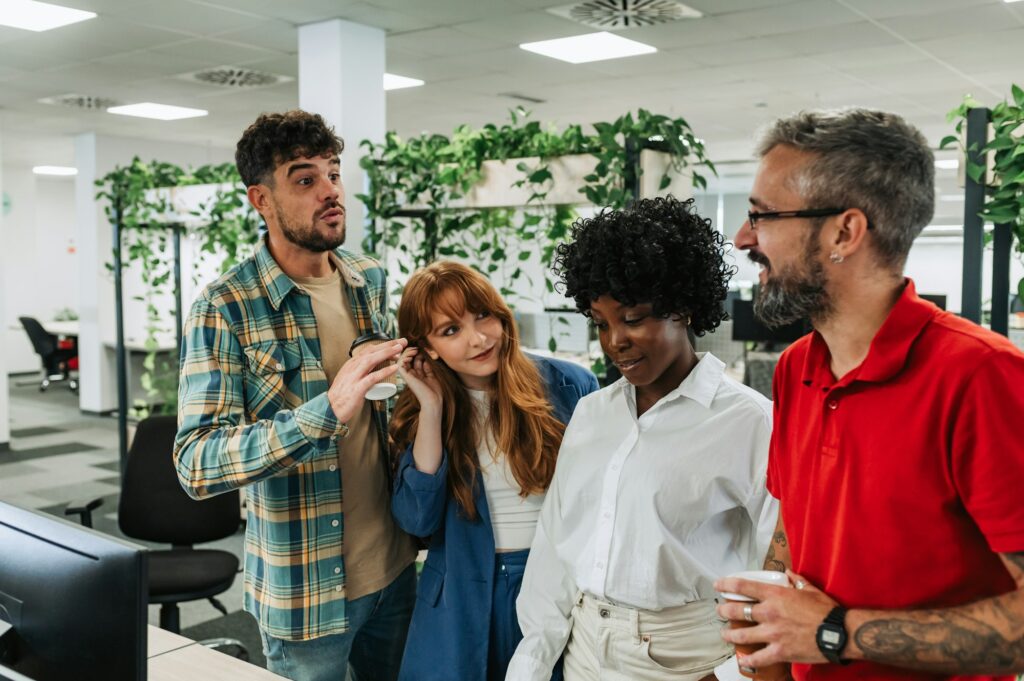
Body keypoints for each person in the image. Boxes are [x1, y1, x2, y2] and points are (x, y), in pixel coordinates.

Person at [714, 108, 1024, 680]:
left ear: (844, 233)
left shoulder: (982, 377)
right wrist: (770, 648)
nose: (743, 238)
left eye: (762, 216)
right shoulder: (796, 367)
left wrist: (834, 632)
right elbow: (793, 528)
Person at [174, 110, 418, 681]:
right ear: (262, 199)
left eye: (333, 173)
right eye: (305, 179)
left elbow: (379, 411)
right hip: (305, 594)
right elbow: (196, 461)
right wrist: (324, 412)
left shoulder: (368, 277)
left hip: (396, 568)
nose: (330, 191)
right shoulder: (224, 307)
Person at [507, 196, 778, 681]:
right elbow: (556, 549)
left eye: (633, 319)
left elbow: (778, 574)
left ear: (686, 308)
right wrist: (530, 663)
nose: (615, 342)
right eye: (601, 323)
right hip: (585, 649)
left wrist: (732, 676)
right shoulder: (592, 414)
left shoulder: (750, 422)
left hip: (689, 657)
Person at [390, 260, 598, 681]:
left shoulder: (570, 385)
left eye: (483, 315)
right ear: (426, 347)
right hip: (459, 595)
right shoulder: (421, 408)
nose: (478, 338)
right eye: (451, 331)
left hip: (556, 585)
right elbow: (417, 521)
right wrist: (432, 408)